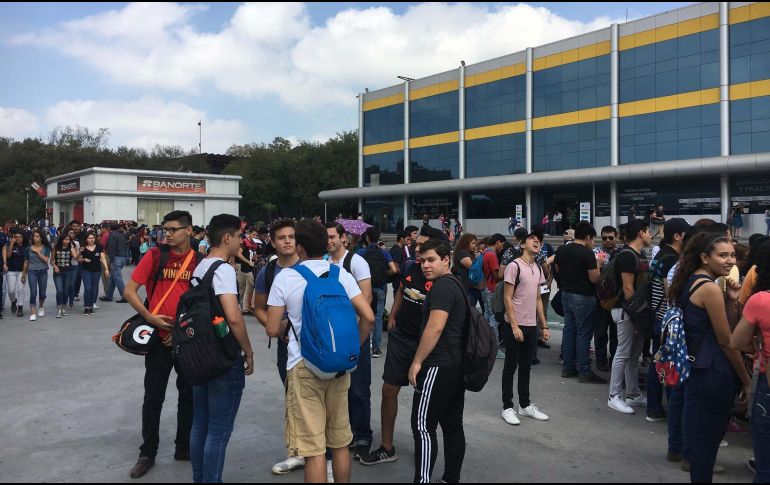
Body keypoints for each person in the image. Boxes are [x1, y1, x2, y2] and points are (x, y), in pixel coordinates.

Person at [266, 219, 374, 484]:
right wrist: (353, 348)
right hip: (339, 366)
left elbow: (271, 328)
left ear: (300, 247)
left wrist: (290, 325)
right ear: (325, 244)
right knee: (340, 442)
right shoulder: (341, 274)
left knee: (314, 450)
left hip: (304, 365)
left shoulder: (286, 277)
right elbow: (369, 317)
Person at [668, 232, 752, 483]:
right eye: (723, 255)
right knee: (707, 444)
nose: (731, 261)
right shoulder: (710, 289)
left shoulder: (691, 281)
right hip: (713, 372)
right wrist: (746, 380)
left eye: (733, 255)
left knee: (702, 441)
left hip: (699, 369)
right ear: (705, 258)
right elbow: (727, 341)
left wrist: (732, 301)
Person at [123, 211, 199, 479]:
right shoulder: (155, 255)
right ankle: (148, 452)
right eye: (164, 229)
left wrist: (179, 331)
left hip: (187, 339)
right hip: (158, 339)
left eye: (173, 229)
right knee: (153, 396)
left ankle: (183, 446)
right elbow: (129, 291)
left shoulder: (200, 261)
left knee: (188, 395)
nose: (167, 234)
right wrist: (150, 318)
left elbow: (203, 304)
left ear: (189, 231)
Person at [361, 226, 443, 467]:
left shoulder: (443, 280)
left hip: (427, 347)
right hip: (401, 340)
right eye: (416, 244)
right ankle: (387, 447)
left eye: (423, 246)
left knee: (424, 401)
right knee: (389, 390)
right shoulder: (409, 267)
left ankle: (424, 449)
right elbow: (401, 291)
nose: (417, 249)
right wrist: (393, 316)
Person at [189, 214, 254, 483]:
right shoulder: (223, 270)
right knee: (218, 430)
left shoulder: (201, 266)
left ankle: (200, 478)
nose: (240, 242)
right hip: (222, 358)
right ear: (227, 238)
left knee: (200, 424)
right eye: (239, 236)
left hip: (199, 355)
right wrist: (248, 351)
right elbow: (234, 316)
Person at [253, 219, 304, 476]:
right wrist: (277, 328)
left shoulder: (311, 266)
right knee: (292, 398)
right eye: (281, 237)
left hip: (316, 344)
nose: (287, 241)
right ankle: (296, 452)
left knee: (322, 400)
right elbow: (258, 308)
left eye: (291, 236)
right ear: (272, 242)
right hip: (287, 345)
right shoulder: (268, 272)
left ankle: (326, 456)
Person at [326, 222, 373, 462]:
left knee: (359, 388)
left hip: (355, 333)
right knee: (337, 389)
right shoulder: (324, 262)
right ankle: (346, 434)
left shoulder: (356, 262)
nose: (329, 241)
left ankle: (363, 435)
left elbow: (367, 297)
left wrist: (351, 326)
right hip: (332, 336)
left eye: (332, 237)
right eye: (325, 237)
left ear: (344, 238)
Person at [500, 230, 551, 425]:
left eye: (539, 240)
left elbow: (538, 299)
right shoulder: (514, 266)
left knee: (526, 367)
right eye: (532, 239)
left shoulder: (537, 268)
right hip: (515, 324)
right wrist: (514, 326)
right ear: (522, 244)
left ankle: (524, 405)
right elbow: (507, 298)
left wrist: (544, 326)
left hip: (531, 325)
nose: (536, 241)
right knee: (510, 366)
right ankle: (507, 407)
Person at [730, 246, 770, 483]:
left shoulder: (761, 301)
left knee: (765, 467)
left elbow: (737, 341)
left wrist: (757, 345)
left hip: (767, 381)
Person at [645, 218, 690, 422]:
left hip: (657, 315)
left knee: (658, 360)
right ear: (678, 236)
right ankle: (660, 409)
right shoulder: (672, 259)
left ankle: (653, 407)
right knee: (667, 362)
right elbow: (670, 292)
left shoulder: (661, 255)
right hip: (666, 318)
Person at [607, 220, 652, 414]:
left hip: (634, 311)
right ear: (641, 233)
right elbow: (627, 288)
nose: (650, 235)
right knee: (623, 353)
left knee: (633, 354)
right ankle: (614, 395)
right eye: (648, 231)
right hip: (627, 311)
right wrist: (637, 317)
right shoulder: (627, 255)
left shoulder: (638, 255)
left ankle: (633, 393)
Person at [554, 221, 605, 383]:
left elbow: (557, 269)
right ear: (588, 237)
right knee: (584, 333)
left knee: (569, 330)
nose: (593, 242)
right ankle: (584, 371)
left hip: (566, 294)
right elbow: (594, 278)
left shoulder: (562, 250)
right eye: (593, 239)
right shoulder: (587, 253)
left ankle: (568, 367)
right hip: (583, 296)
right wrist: (599, 264)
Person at [357, 226, 398, 359]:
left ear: (367, 238)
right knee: (378, 317)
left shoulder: (361, 252)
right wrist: (384, 274)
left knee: (364, 315)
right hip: (380, 287)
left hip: (364, 289)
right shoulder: (384, 252)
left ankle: (362, 343)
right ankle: (376, 348)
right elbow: (394, 269)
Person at [594, 226, 621, 371]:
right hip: (601, 299)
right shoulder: (596, 252)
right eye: (604, 238)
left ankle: (615, 360)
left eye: (611, 237)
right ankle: (600, 360)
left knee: (616, 334)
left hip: (617, 299)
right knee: (600, 332)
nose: (607, 240)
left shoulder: (622, 253)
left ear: (616, 237)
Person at [78, 232, 110, 315]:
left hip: (97, 270)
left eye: (93, 238)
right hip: (86, 270)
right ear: (86, 240)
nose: (92, 239)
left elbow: (103, 258)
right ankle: (86, 307)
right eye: (89, 238)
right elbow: (79, 260)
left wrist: (106, 269)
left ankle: (91, 306)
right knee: (87, 288)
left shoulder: (99, 246)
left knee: (94, 289)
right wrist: (84, 259)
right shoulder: (83, 248)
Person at [24, 229, 51, 321]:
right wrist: (23, 274)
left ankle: (41, 306)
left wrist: (37, 251)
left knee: (42, 293)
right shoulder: (28, 248)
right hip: (32, 271)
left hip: (43, 271)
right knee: (33, 292)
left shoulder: (46, 248)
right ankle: (33, 313)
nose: (35, 238)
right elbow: (26, 262)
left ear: (41, 238)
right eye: (34, 236)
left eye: (37, 236)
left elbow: (45, 259)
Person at [51, 232, 78, 319]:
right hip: (58, 272)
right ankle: (59, 309)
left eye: (69, 240)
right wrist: (55, 266)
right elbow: (51, 261)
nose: (67, 241)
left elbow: (75, 257)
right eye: (66, 239)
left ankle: (63, 308)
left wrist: (79, 252)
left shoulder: (71, 248)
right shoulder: (56, 247)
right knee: (60, 291)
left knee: (66, 291)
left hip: (68, 272)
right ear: (61, 240)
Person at [482, 234, 506, 330]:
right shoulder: (492, 255)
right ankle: (494, 338)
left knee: (487, 314)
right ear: (498, 242)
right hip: (492, 288)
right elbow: (497, 275)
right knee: (493, 316)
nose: (502, 248)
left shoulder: (485, 252)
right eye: (502, 245)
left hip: (485, 286)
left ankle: (484, 336)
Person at [102, 224, 129, 303]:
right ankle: (109, 295)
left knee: (117, 277)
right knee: (113, 277)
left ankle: (124, 296)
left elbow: (111, 249)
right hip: (123, 257)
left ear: (109, 228)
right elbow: (125, 246)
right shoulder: (121, 235)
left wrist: (111, 260)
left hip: (116, 257)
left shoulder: (112, 236)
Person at [452, 233, 479, 307]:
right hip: (467, 288)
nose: (474, 245)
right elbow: (473, 268)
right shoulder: (462, 253)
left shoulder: (467, 253)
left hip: (471, 287)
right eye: (473, 243)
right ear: (466, 243)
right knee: (470, 309)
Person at [236, 229, 258, 313]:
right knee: (242, 287)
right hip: (243, 266)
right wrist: (248, 262)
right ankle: (241, 306)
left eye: (256, 235)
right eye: (253, 234)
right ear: (249, 234)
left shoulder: (255, 244)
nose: (255, 236)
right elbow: (238, 254)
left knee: (248, 286)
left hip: (250, 267)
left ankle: (245, 307)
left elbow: (255, 254)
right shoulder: (244, 242)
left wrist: (255, 259)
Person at [7, 231, 28, 317]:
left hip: (21, 271)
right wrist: (11, 244)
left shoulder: (26, 248)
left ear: (23, 238)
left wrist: (24, 274)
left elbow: (27, 261)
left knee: (20, 290)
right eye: (16, 237)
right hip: (11, 271)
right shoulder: (10, 245)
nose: (18, 238)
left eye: (20, 237)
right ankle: (13, 301)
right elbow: (8, 256)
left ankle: (20, 307)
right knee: (11, 290)